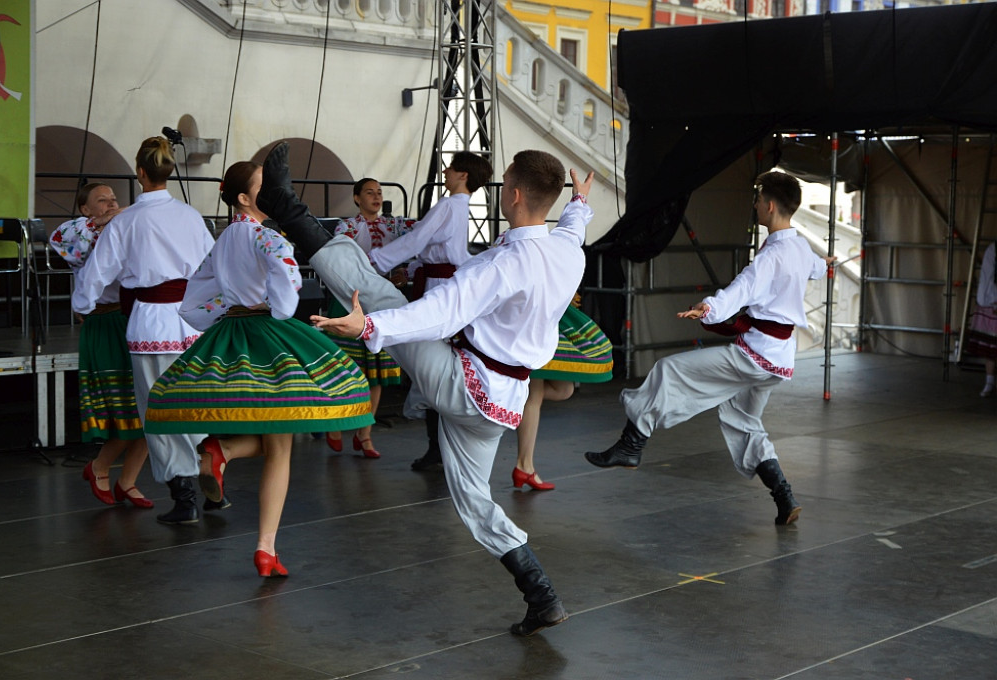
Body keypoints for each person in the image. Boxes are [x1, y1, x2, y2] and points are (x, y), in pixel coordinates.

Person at [257, 142, 592, 636]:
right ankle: (542, 596)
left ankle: (287, 208)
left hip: (463, 384)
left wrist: (368, 329)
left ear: (514, 194)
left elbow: (439, 312)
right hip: (501, 402)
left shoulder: (504, 265)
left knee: (379, 294)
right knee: (474, 500)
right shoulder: (567, 250)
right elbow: (572, 225)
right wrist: (579, 205)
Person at [144, 161, 374, 576]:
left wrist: (230, 306)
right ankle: (265, 545)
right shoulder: (267, 238)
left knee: (278, 438)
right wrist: (269, 305)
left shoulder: (223, 239)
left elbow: (193, 303)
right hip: (269, 336)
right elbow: (287, 289)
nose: (272, 192)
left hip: (231, 332)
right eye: (263, 187)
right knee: (283, 443)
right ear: (245, 199)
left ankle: (223, 452)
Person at [586, 170, 834, 526]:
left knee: (669, 370)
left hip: (756, 355)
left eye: (758, 200)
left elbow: (742, 289)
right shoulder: (799, 247)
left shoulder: (772, 256)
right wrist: (824, 266)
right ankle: (784, 496)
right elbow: (813, 268)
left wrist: (709, 308)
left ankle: (632, 444)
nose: (755, 206)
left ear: (770, 205)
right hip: (778, 358)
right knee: (743, 419)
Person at [71, 136, 214, 525]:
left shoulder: (127, 220)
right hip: (192, 322)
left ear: (140, 173)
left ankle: (184, 497)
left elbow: (96, 273)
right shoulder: (190, 216)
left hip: (152, 323)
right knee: (194, 403)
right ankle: (211, 469)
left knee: (159, 412)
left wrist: (82, 306)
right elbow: (212, 267)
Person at [358, 151, 491, 473]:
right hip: (441, 281)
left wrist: (373, 261)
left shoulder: (448, 205)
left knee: (432, 364)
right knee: (443, 364)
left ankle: (438, 447)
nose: (444, 171)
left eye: (450, 168)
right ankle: (444, 446)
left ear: (462, 175)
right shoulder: (461, 207)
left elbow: (418, 239)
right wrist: (414, 266)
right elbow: (436, 248)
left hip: (437, 287)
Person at [50, 182, 151, 508]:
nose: (110, 204)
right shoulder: (76, 233)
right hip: (104, 323)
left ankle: (129, 481)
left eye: (114, 199)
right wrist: (122, 214)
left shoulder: (124, 229)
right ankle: (100, 466)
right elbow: (67, 241)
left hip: (133, 320)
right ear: (84, 209)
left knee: (151, 411)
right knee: (124, 410)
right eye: (101, 200)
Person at [321, 177, 414, 458]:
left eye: (379, 193)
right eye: (369, 193)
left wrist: (402, 274)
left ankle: (365, 434)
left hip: (383, 301)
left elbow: (418, 240)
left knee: (376, 373)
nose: (376, 197)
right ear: (357, 198)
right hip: (349, 301)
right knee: (346, 367)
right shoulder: (346, 227)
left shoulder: (394, 225)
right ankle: (336, 424)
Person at [513, 301, 613, 491]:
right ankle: (524, 465)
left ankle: (506, 397)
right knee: (535, 394)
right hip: (534, 317)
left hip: (549, 316)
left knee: (564, 390)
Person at [966, 241, 997, 397]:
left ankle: (990, 382)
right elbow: (987, 276)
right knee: (992, 348)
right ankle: (989, 382)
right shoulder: (994, 249)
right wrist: (988, 299)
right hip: (993, 303)